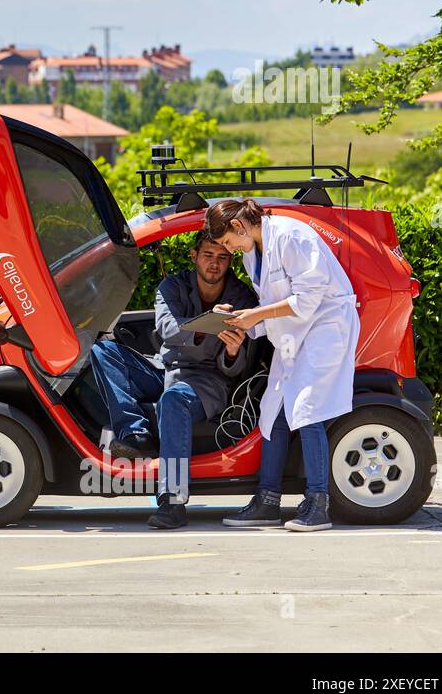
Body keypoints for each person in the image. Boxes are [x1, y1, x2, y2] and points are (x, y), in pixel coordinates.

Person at [207, 198, 360, 532]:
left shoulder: (292, 235)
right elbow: (272, 306)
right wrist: (238, 322)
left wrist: (255, 317)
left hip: (325, 328)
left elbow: (307, 300)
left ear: (239, 226)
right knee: (273, 410)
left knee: (308, 410)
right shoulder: (253, 251)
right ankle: (267, 500)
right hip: (296, 334)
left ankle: (318, 504)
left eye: (228, 243)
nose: (229, 250)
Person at [88, 231, 259, 529]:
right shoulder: (172, 286)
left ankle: (173, 500)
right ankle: (134, 434)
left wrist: (232, 351)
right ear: (194, 256)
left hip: (208, 379)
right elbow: (168, 330)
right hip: (166, 368)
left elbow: (237, 368)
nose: (214, 264)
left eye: (222, 257)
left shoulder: (240, 295)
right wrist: (209, 320)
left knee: (174, 398)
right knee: (103, 350)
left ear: (231, 260)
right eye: (208, 255)